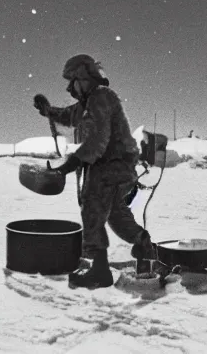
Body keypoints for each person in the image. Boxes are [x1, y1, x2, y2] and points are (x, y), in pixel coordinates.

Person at [32, 54, 156, 289]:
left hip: (111, 166)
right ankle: (145, 249)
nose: (69, 87)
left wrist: (67, 167)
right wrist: (48, 110)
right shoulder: (92, 102)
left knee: (92, 207)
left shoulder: (101, 98)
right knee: (116, 214)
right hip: (119, 167)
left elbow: (96, 143)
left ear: (83, 78)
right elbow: (70, 115)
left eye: (72, 81)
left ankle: (98, 270)